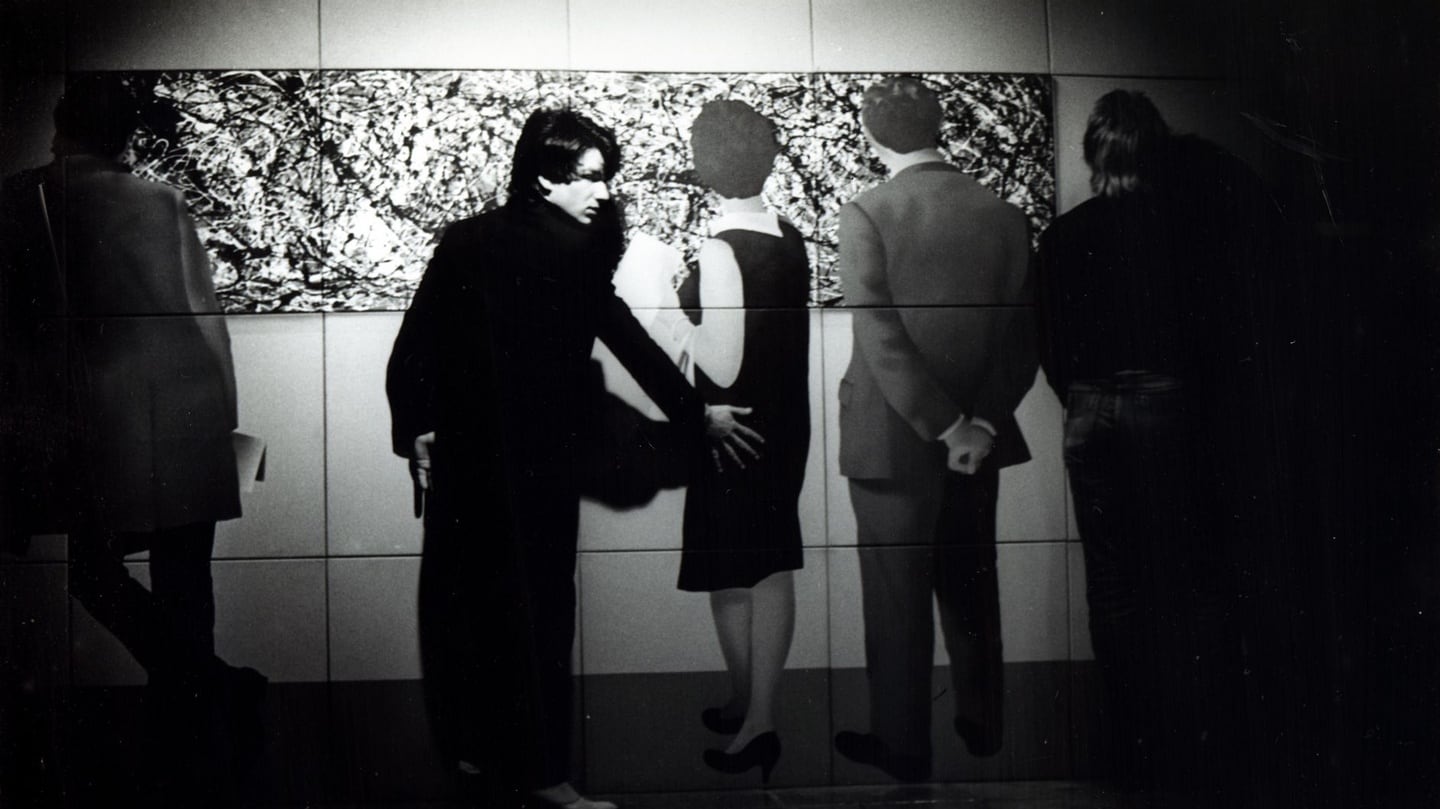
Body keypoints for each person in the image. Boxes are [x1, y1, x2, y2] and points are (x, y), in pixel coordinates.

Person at [386, 107, 761, 809]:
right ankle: (545, 776)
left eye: (605, 178)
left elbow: (418, 339)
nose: (603, 192)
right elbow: (625, 337)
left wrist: (417, 427)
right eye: (589, 178)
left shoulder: (468, 241)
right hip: (538, 461)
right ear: (542, 176)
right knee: (541, 612)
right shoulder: (573, 250)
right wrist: (696, 413)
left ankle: (473, 759)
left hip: (471, 458)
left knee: (462, 608)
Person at [0, 74, 265, 804]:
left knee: (94, 571)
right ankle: (200, 708)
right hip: (188, 412)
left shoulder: (26, 199)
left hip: (96, 425)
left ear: (60, 127)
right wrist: (224, 420)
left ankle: (204, 689)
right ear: (127, 134)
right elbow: (204, 317)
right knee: (189, 578)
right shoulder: (163, 200)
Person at [1036, 89, 1266, 800]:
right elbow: (1219, 336)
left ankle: (1129, 739)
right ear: (1154, 149)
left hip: (1090, 407)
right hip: (1167, 403)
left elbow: (1050, 346)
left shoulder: (1064, 235)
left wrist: (1085, 401)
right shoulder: (1190, 229)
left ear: (1092, 154)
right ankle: (1191, 745)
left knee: (1113, 583)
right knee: (1189, 577)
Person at [830, 75, 1037, 782]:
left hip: (889, 440)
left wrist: (940, 423)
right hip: (979, 438)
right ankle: (983, 723)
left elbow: (882, 337)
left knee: (896, 595)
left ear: (870, 134)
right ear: (940, 124)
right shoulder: (1005, 214)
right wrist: (976, 422)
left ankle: (903, 742)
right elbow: (1020, 336)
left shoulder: (866, 212)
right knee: (973, 580)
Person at [645, 100, 810, 783]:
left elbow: (718, 363)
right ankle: (753, 706)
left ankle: (757, 716)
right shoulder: (788, 234)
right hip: (780, 423)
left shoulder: (719, 248)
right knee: (765, 568)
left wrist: (662, 308)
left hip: (732, 428)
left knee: (735, 571)